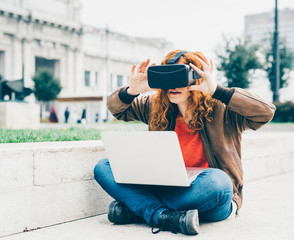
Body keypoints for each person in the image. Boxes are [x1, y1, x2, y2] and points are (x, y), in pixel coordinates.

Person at [94, 50, 276, 235]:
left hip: (208, 195)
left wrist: (218, 91)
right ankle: (163, 215)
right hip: (167, 186)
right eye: (168, 77)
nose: (174, 85)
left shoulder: (222, 108)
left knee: (219, 181)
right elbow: (118, 110)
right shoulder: (155, 106)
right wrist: (132, 91)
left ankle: (141, 209)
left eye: (180, 76)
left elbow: (266, 112)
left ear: (196, 78)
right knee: (103, 167)